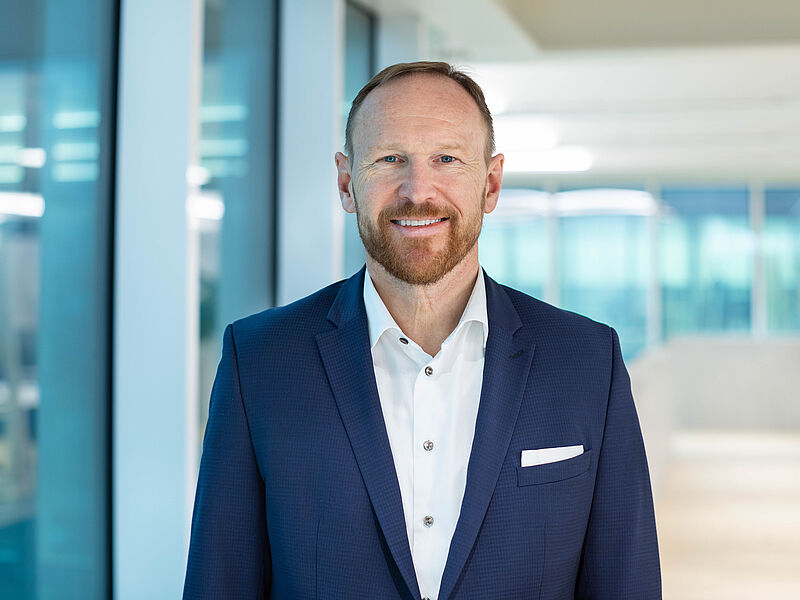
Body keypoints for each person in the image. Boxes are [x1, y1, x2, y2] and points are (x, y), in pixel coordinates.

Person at [183, 61, 661, 600]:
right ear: (346, 183)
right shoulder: (260, 361)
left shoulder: (586, 360)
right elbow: (219, 583)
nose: (418, 190)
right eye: (390, 159)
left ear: (491, 184)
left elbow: (627, 583)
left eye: (447, 159)